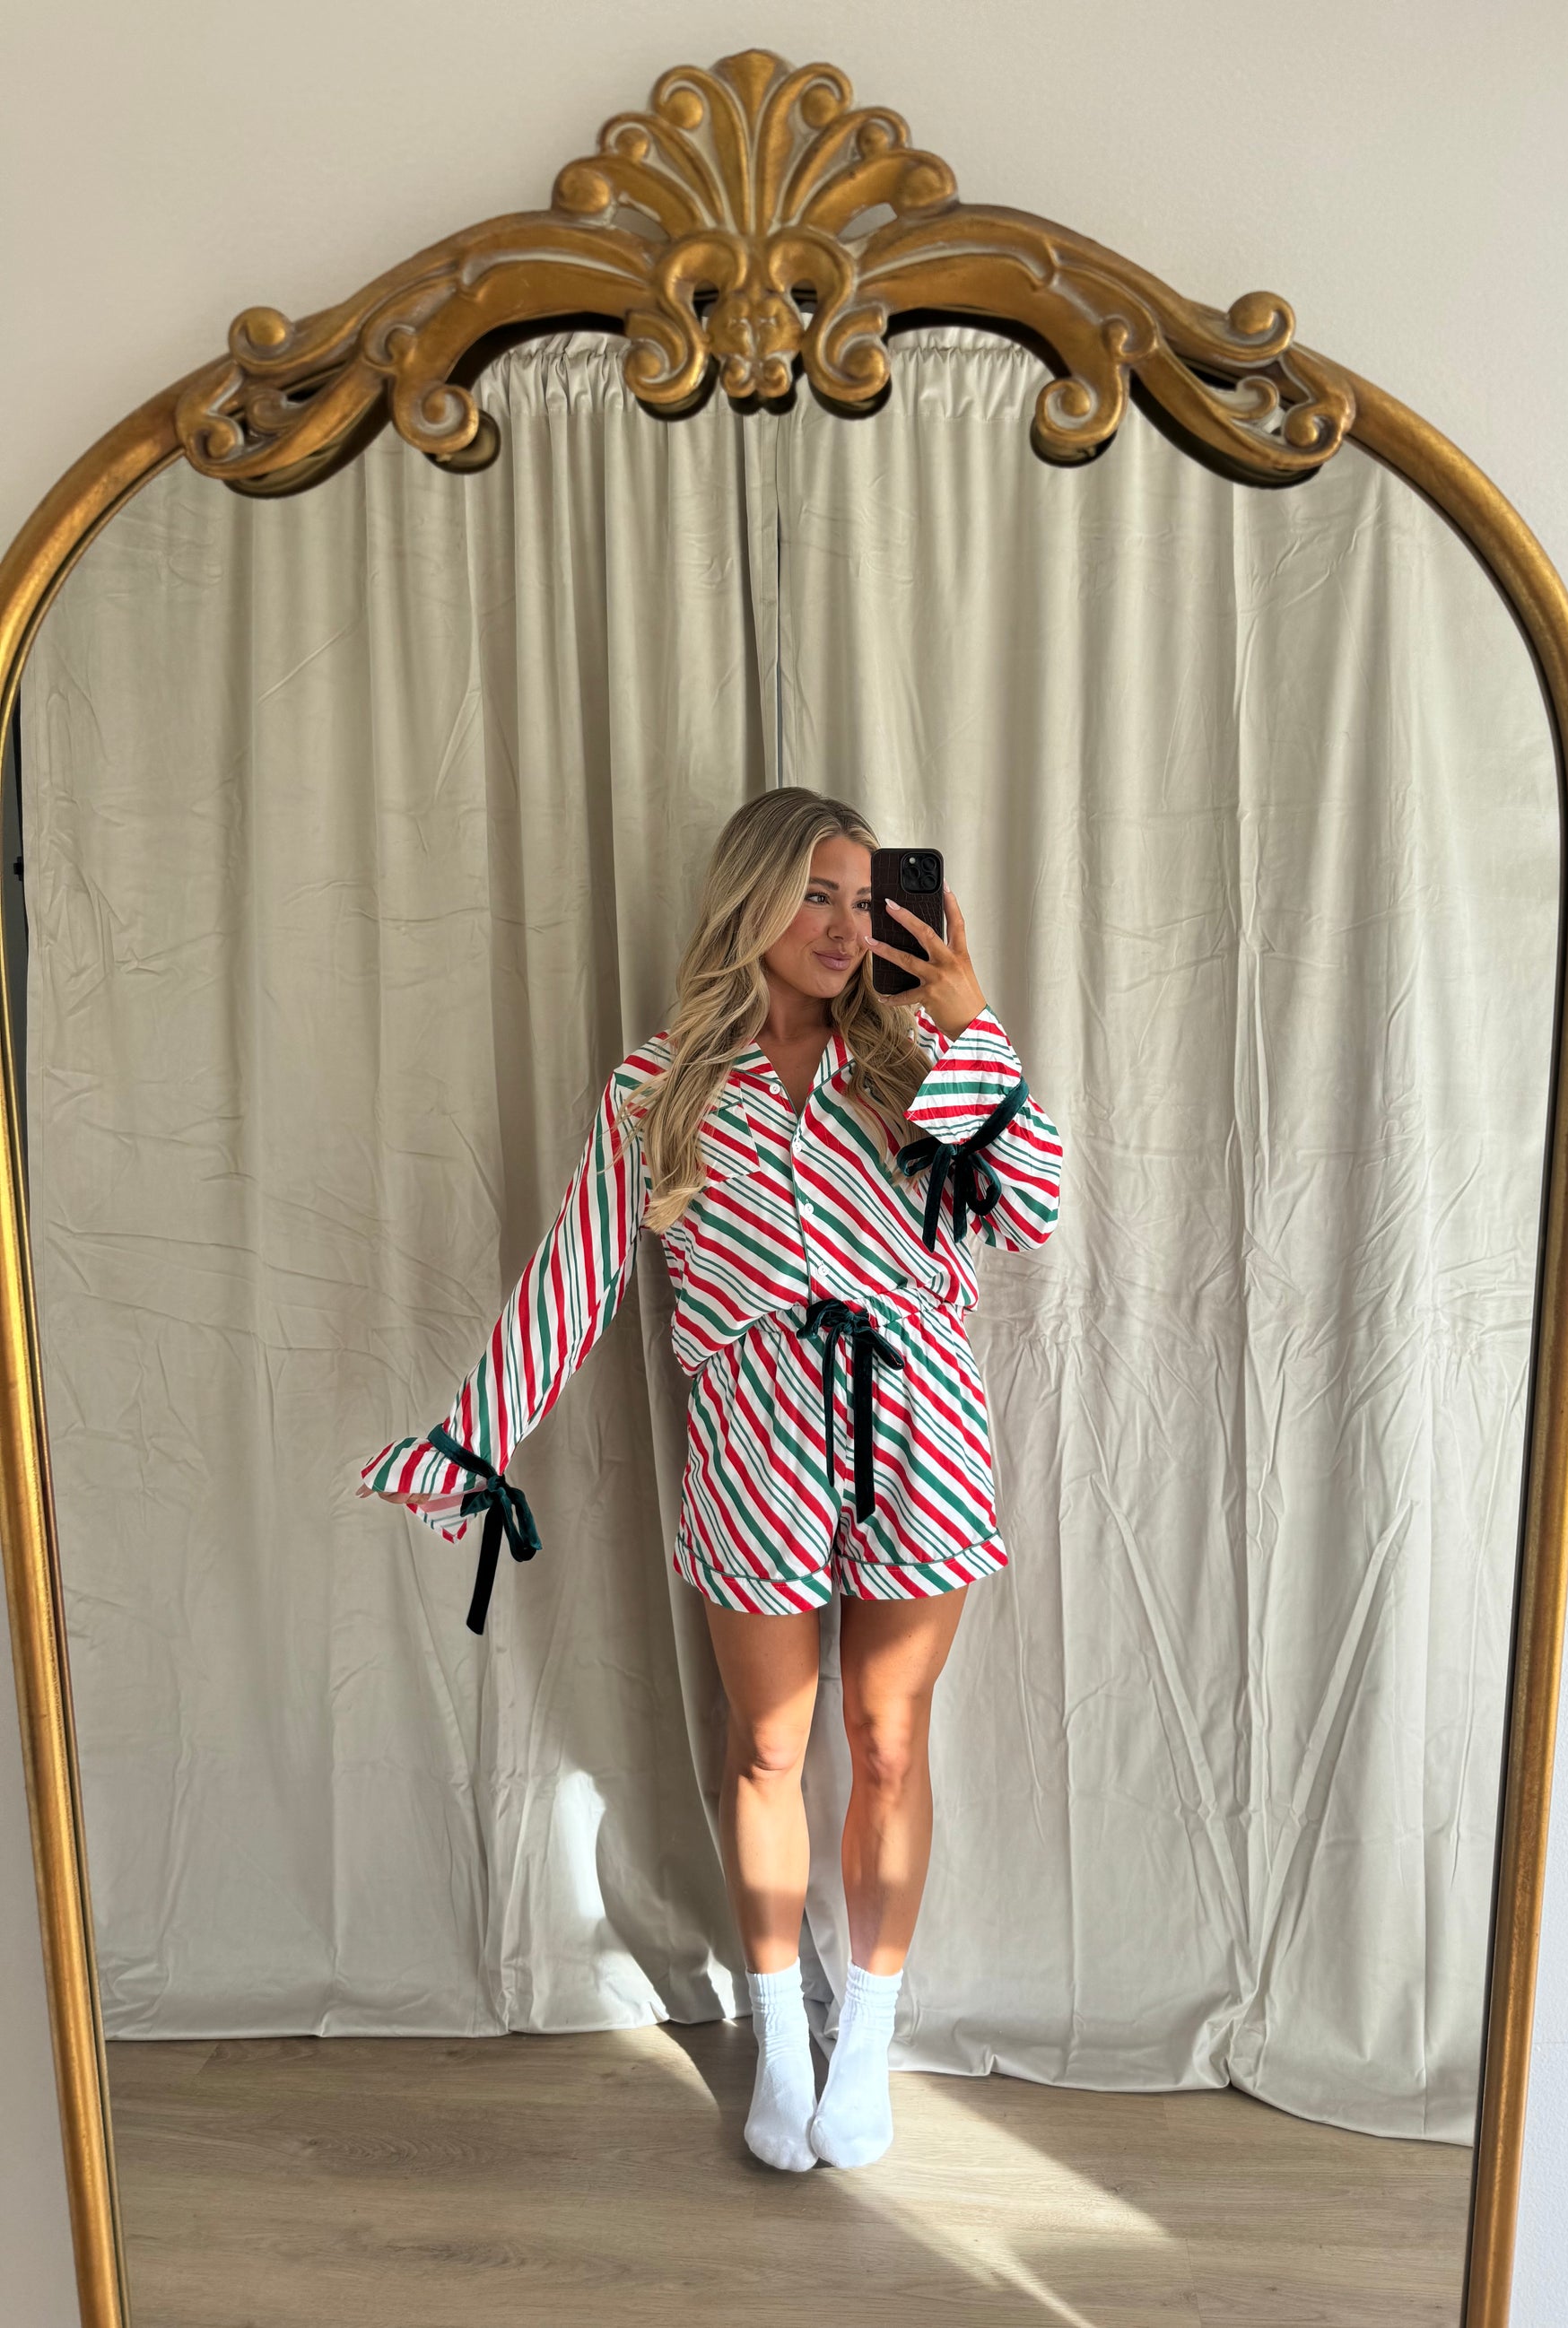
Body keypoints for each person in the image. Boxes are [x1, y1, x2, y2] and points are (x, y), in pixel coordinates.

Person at [356, 788, 1064, 2171]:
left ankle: (866, 2040)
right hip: (753, 1444)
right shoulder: (662, 1083)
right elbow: (573, 1280)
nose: (843, 928)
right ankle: (781, 2042)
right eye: (815, 895)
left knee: (888, 1739)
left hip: (920, 1430)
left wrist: (969, 1018)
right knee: (765, 1748)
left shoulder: (918, 1063)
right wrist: (472, 1441)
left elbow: (1029, 1209)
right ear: (751, 900)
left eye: (864, 900)